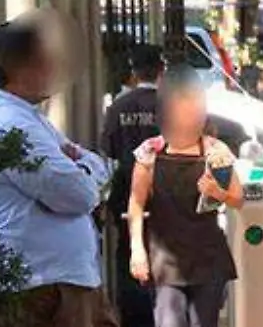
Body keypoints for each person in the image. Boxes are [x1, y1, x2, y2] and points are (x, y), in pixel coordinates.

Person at [0, 16, 116, 327]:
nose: (56, 71)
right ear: (20, 67)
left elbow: (95, 164)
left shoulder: (24, 116)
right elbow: (79, 194)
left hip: (54, 282)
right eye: (48, 61)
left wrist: (82, 167)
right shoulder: (10, 122)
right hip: (42, 288)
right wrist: (82, 169)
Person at [127, 65, 243, 327]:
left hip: (208, 256)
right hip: (165, 259)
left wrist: (216, 192)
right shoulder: (150, 152)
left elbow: (238, 198)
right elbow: (136, 203)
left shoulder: (215, 150)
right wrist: (137, 249)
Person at [103, 44, 166, 327]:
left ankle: (135, 318)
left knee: (129, 252)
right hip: (165, 193)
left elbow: (110, 150)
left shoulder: (118, 107)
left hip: (127, 191)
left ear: (134, 72)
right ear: (161, 70)